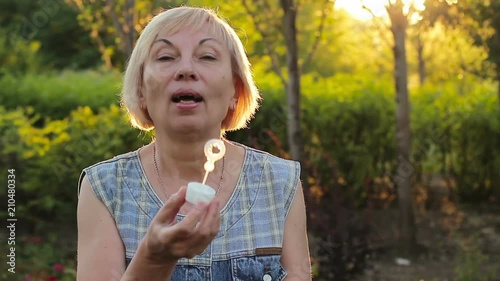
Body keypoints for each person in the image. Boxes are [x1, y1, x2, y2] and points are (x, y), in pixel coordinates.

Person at [77, 6, 311, 281]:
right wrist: (154, 259)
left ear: (235, 91)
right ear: (141, 91)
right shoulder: (106, 187)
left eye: (207, 56)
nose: (186, 69)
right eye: (165, 57)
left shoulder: (279, 182)